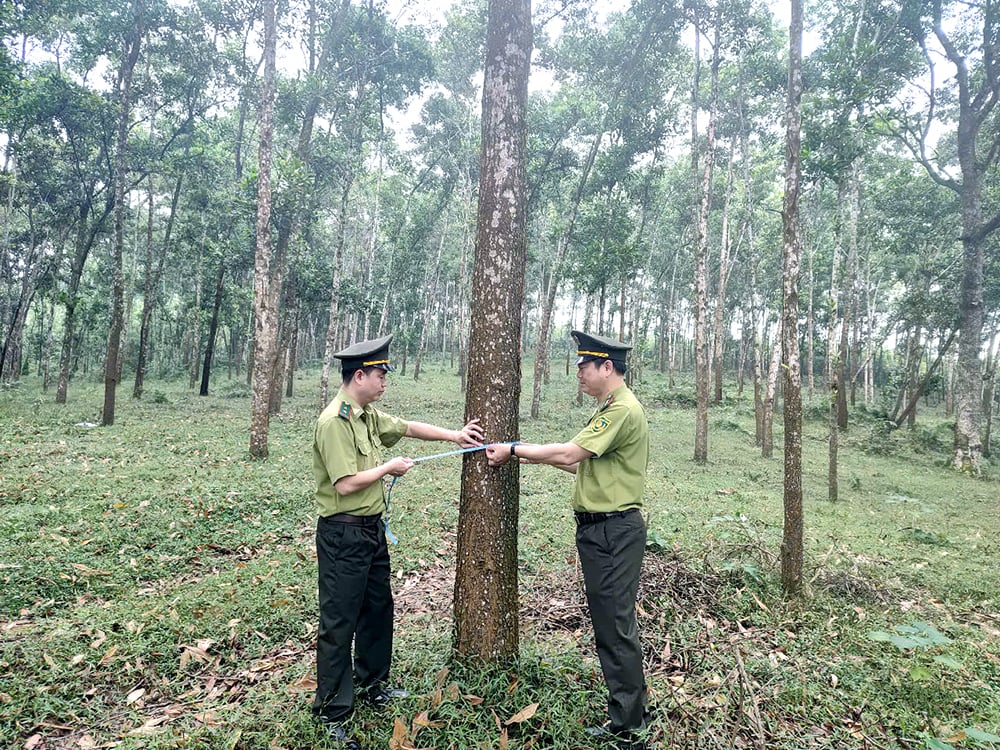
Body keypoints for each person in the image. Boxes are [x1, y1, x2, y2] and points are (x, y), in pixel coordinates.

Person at [312, 334, 484, 748]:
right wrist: (388, 468)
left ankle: (373, 685)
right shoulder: (334, 422)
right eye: (379, 374)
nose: (385, 381)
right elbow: (346, 483)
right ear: (359, 376)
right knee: (339, 621)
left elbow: (407, 428)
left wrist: (454, 435)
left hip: (371, 531)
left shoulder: (367, 415)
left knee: (378, 609)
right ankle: (331, 710)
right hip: (343, 532)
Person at [485, 330, 650, 749]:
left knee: (615, 627)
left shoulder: (620, 411)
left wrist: (514, 449)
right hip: (603, 530)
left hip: (612, 531)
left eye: (584, 365)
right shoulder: (611, 408)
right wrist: (535, 456)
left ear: (606, 367)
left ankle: (630, 727)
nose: (578, 372)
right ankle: (631, 712)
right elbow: (585, 466)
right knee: (612, 625)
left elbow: (568, 454)